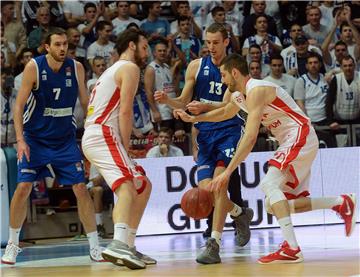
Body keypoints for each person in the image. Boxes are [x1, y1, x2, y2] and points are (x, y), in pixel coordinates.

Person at [174, 53, 357, 264]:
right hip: (290, 140)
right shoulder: (238, 96)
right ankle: (340, 203)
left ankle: (292, 248)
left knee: (269, 184)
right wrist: (196, 118)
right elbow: (225, 112)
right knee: (276, 204)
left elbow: (250, 137)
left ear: (234, 73)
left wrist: (227, 172)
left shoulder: (257, 89)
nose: (222, 81)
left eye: (224, 76)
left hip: (299, 134)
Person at [1, 28, 105, 264]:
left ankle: (95, 246)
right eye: (57, 44)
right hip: (35, 139)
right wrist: (20, 140)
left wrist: (94, 127)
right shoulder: (34, 67)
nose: (62, 48)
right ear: (47, 47)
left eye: (65, 44)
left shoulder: (76, 67)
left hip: (64, 140)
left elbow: (86, 103)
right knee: (23, 188)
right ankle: (12, 245)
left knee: (80, 187)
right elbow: (18, 108)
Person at [155, 23, 253, 265]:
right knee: (207, 192)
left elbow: (229, 109)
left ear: (226, 41)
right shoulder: (196, 67)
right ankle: (240, 214)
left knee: (220, 187)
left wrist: (200, 110)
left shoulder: (233, 68)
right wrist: (169, 101)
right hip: (204, 134)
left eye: (216, 42)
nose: (211, 47)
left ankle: (213, 244)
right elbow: (184, 102)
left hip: (229, 132)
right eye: (207, 42)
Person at [81, 28, 156, 270]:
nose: (147, 52)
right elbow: (125, 111)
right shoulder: (129, 68)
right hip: (104, 133)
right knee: (126, 186)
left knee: (142, 185)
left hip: (96, 133)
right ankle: (118, 244)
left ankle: (129, 246)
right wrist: (124, 145)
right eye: (145, 46)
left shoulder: (112, 70)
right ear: (132, 45)